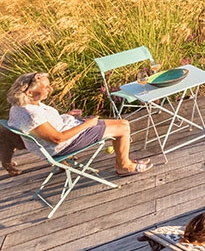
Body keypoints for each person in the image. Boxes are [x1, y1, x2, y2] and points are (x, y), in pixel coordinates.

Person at [5, 71, 152, 175]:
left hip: (68, 129)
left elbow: (45, 126)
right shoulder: (31, 114)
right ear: (29, 92)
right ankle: (124, 166)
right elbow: (57, 139)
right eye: (46, 87)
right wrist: (86, 125)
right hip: (62, 145)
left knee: (123, 123)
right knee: (122, 128)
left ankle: (124, 161)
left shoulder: (21, 105)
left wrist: (66, 116)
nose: (50, 89)